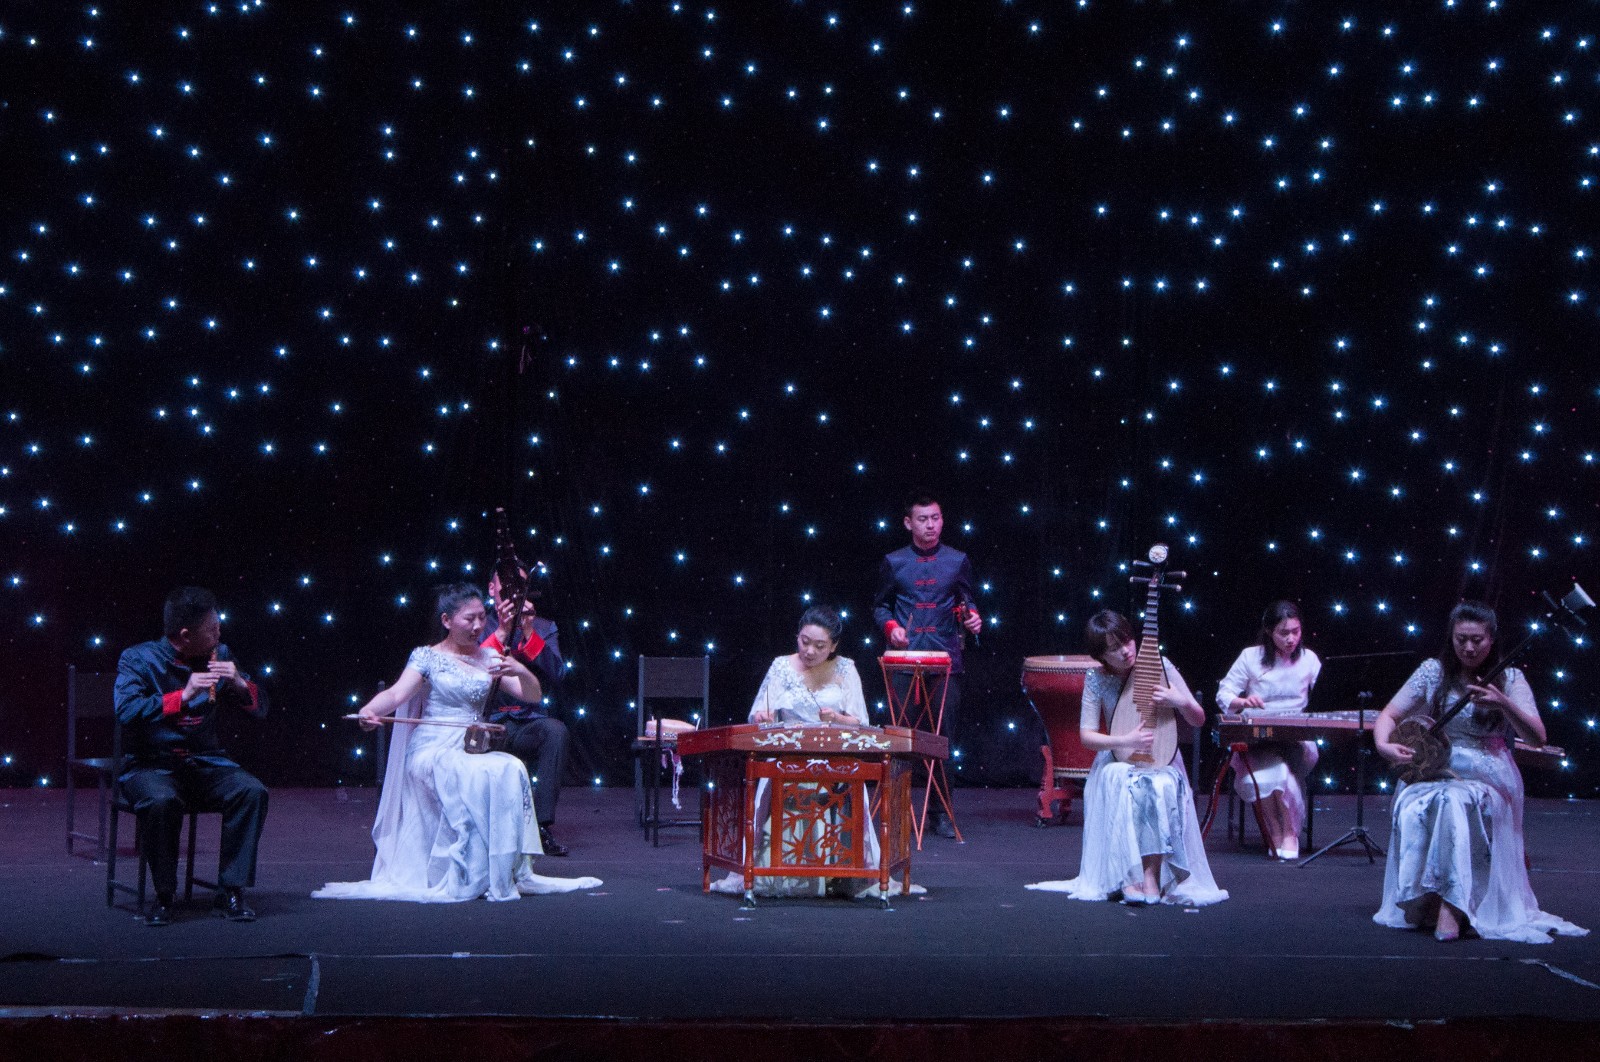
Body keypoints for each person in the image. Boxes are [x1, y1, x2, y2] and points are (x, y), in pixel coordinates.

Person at [314, 584, 600, 902]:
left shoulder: (489, 657)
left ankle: (495, 870)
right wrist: (371, 710)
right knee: (473, 773)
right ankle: (464, 870)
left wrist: (521, 669)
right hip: (433, 747)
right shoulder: (427, 657)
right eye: (469, 619)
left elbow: (533, 695)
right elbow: (396, 694)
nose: (478, 626)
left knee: (510, 768)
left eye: (481, 618)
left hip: (470, 743)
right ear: (447, 620)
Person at [1372, 601, 1585, 943]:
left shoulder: (1510, 678)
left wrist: (1503, 703)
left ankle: (1452, 906)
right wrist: (1384, 744)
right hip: (1436, 769)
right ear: (1451, 638)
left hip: (1488, 774)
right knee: (1417, 802)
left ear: (1491, 639)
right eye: (1461, 640)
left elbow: (1538, 737)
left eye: (1477, 640)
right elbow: (1389, 715)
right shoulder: (1433, 672)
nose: (1469, 648)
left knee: (1454, 802)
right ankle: (1425, 897)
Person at [1027, 610, 1226, 906]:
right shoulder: (1096, 678)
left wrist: (1179, 701)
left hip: (1160, 760)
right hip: (1116, 760)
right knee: (1128, 783)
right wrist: (1125, 740)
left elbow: (1198, 719)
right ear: (1101, 656)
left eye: (1127, 641)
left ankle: (1151, 876)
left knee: (1159, 786)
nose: (1125, 651)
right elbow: (1087, 736)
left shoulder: (1161, 666)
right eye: (1114, 648)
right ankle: (1129, 877)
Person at [710, 606, 905, 899]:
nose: (810, 651)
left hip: (835, 759)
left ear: (833, 646)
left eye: (819, 646)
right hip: (787, 758)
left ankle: (841, 873)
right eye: (804, 641)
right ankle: (779, 870)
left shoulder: (845, 669)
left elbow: (861, 722)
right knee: (778, 777)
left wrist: (837, 719)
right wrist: (764, 717)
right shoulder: (781, 666)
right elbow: (760, 713)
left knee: (843, 782)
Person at [114, 587, 269, 927]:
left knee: (251, 791)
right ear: (185, 635)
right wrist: (183, 695)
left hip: (204, 762)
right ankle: (164, 896)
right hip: (151, 765)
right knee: (161, 801)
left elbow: (259, 709)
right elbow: (127, 711)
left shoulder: (220, 654)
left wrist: (238, 682)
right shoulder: (138, 659)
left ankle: (230, 891)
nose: (219, 634)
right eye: (212, 629)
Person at [872, 492, 982, 837]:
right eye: (923, 519)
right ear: (909, 523)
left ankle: (941, 813)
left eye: (935, 518)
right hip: (904, 660)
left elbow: (967, 602)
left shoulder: (957, 560)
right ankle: (897, 811)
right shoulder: (894, 562)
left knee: (942, 739)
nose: (931, 525)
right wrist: (892, 628)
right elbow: (880, 607)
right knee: (900, 737)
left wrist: (973, 617)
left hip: (944, 660)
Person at [1216, 600, 1322, 860]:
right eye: (1283, 633)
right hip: (1258, 736)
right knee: (1276, 773)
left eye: (1296, 631)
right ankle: (1276, 829)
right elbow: (1224, 694)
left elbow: (1325, 697)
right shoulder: (1250, 657)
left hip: (1296, 736)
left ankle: (1289, 832)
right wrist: (1243, 702)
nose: (1291, 639)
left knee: (1283, 770)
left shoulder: (1309, 660)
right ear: (1268, 631)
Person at [486, 570, 572, 857]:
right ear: (492, 589)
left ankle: (540, 827)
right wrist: (502, 629)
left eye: (519, 584)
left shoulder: (544, 626)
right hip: (489, 721)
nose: (513, 589)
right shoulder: (479, 624)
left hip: (528, 721)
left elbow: (557, 673)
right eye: (506, 583)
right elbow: (474, 664)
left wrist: (528, 632)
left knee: (556, 731)